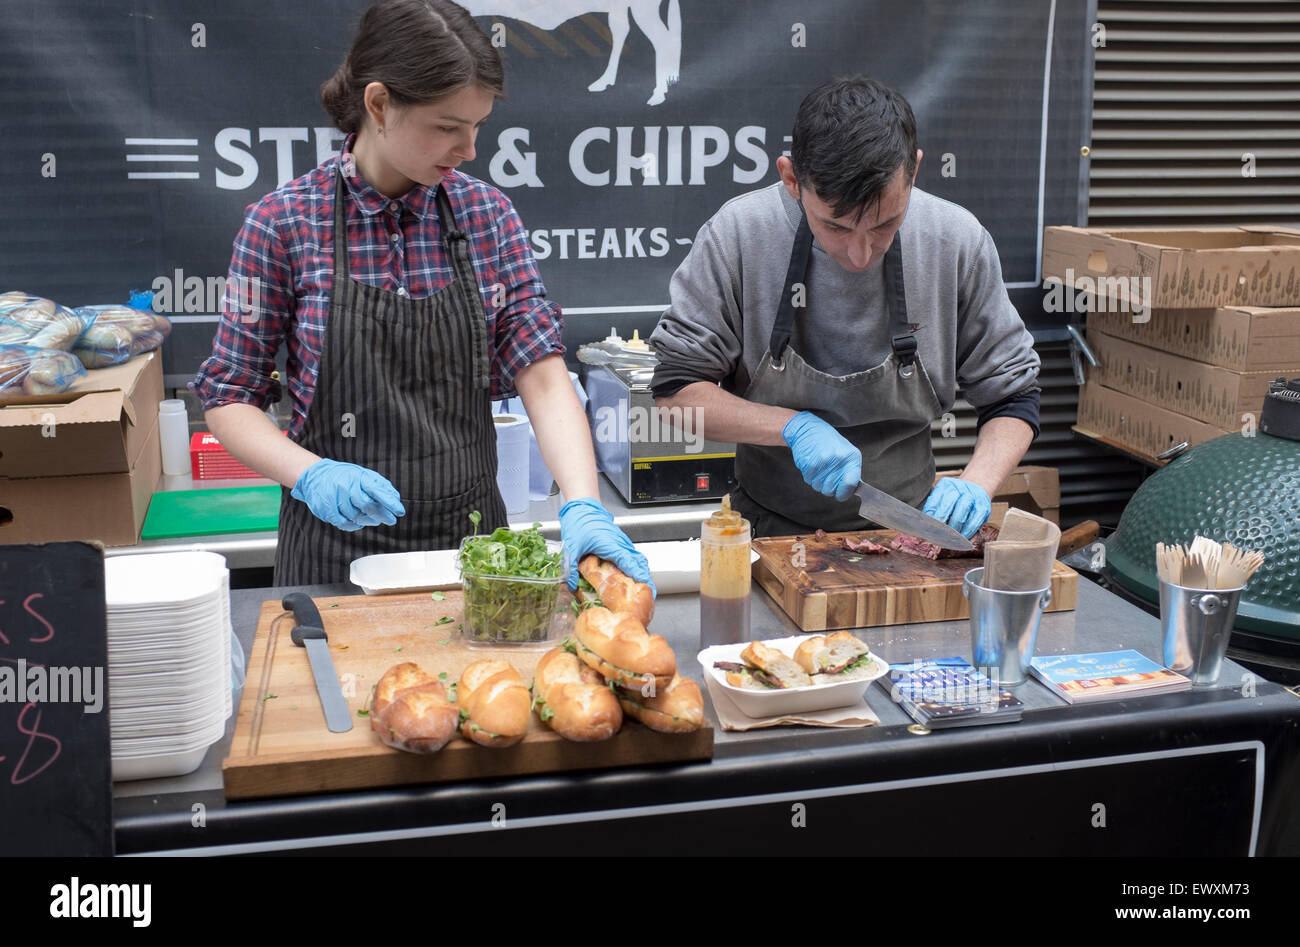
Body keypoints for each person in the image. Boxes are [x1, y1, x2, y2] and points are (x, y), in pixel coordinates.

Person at [191, 0, 650, 591]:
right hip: (334, 558)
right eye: (447, 127)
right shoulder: (281, 224)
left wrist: (584, 504)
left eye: (477, 127)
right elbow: (230, 396)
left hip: (476, 551)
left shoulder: (487, 215)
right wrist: (310, 475)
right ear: (379, 105)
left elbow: (539, 368)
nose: (469, 149)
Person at [649, 76, 1041, 539]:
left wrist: (978, 482)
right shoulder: (739, 236)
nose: (860, 255)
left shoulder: (956, 242)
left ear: (913, 172)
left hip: (913, 532)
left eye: (885, 225)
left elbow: (1015, 397)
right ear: (791, 178)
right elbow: (675, 395)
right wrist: (792, 427)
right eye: (835, 226)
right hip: (768, 532)